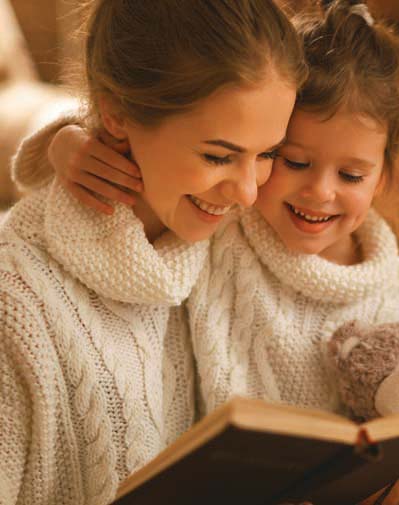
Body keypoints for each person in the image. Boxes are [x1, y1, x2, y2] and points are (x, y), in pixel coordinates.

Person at [14, 2, 399, 505]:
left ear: (383, 177)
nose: (318, 192)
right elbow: (151, 151)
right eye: (292, 161)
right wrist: (67, 142)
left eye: (351, 175)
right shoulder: (222, 240)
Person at [0, 1, 306, 503]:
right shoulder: (18, 301)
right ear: (116, 115)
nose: (249, 193)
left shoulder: (241, 237)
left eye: (268, 153)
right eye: (218, 156)